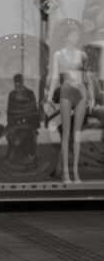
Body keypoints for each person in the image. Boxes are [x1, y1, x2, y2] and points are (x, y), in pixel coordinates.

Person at [46, 28, 95, 183]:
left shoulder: (82, 55)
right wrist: (49, 96)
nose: (75, 37)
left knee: (77, 135)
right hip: (66, 91)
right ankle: (65, 172)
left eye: (77, 35)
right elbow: (55, 76)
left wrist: (92, 96)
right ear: (67, 37)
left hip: (81, 92)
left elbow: (87, 77)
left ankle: (75, 172)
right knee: (66, 134)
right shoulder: (59, 55)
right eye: (73, 35)